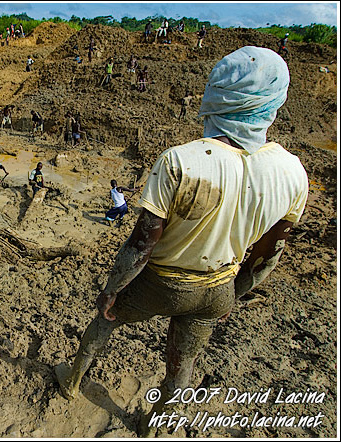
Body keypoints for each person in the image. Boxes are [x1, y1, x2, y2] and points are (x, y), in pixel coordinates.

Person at [54, 46, 308, 438]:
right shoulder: (293, 173)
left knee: (105, 322)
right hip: (219, 286)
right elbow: (266, 258)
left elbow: (140, 247)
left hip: (163, 282)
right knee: (182, 362)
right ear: (275, 101)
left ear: (216, 93)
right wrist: (232, 297)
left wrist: (110, 291)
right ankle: (153, 426)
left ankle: (72, 382)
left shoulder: (181, 161)